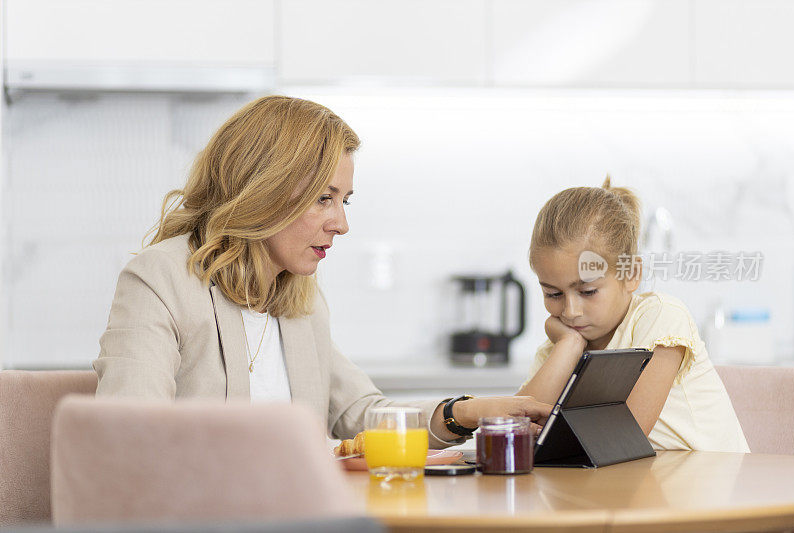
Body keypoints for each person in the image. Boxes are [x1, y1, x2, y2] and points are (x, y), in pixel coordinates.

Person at [94, 95, 551, 447]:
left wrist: (465, 412)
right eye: (323, 199)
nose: (342, 224)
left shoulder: (297, 298)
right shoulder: (161, 280)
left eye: (344, 201)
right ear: (264, 191)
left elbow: (363, 413)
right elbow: (130, 439)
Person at [517, 178, 749, 452]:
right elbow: (515, 430)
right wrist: (568, 346)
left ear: (631, 275)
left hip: (711, 486)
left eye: (588, 291)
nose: (570, 312)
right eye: (553, 294)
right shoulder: (559, 349)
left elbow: (625, 435)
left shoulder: (660, 317)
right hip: (637, 485)